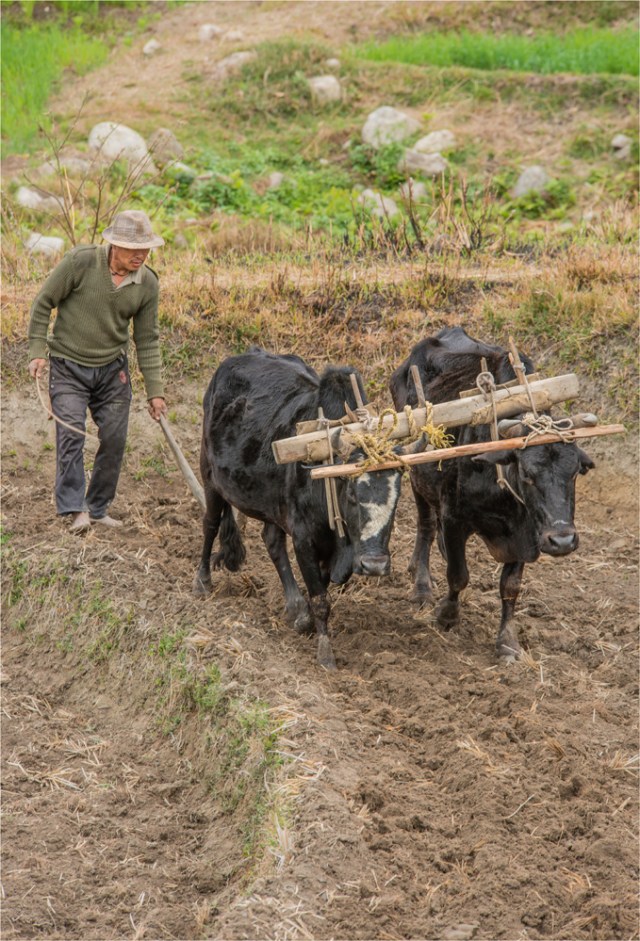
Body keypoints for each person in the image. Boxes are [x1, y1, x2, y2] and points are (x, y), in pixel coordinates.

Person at [28, 209, 168, 533]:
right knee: (72, 434)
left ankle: (97, 506)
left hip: (111, 371)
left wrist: (156, 392)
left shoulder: (147, 283)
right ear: (114, 245)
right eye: (134, 249)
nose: (141, 255)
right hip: (67, 366)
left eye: (145, 249)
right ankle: (74, 509)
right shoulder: (81, 262)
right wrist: (36, 351)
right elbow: (42, 302)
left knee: (115, 438)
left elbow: (147, 340)